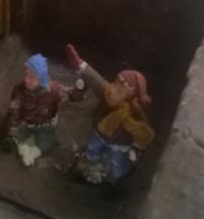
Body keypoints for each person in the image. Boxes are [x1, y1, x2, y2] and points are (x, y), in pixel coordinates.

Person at [66, 44, 155, 184]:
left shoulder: (134, 114)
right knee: (92, 150)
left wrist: (130, 124)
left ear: (130, 98)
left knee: (118, 164)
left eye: (119, 91)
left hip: (120, 143)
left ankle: (117, 177)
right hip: (99, 134)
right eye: (114, 84)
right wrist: (80, 65)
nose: (112, 90)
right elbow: (96, 80)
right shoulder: (106, 94)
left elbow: (146, 134)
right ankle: (90, 161)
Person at [5, 54, 69, 166]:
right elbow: (14, 113)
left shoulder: (54, 90)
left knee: (47, 140)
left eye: (32, 78)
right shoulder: (19, 91)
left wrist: (79, 90)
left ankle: (34, 152)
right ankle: (24, 148)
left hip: (45, 123)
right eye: (26, 75)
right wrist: (12, 131)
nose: (26, 80)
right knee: (16, 137)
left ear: (42, 78)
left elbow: (68, 95)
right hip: (26, 122)